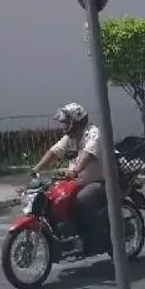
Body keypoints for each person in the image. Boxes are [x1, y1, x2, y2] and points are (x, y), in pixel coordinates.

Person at [31, 102, 109, 255]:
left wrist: (76, 171)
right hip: (76, 181)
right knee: (52, 196)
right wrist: (36, 169)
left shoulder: (94, 134)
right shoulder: (71, 137)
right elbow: (54, 152)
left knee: (83, 199)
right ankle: (64, 234)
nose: (64, 126)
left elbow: (88, 154)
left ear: (76, 121)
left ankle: (95, 238)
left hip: (99, 181)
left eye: (67, 122)